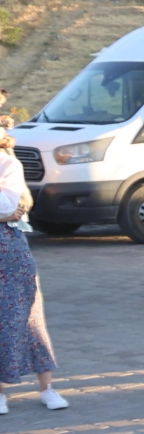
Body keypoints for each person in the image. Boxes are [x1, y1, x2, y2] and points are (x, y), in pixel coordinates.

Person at [0, 122, 67, 413]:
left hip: (10, 251)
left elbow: (9, 205)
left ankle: (46, 387)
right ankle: (1, 390)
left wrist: (4, 212)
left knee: (28, 315)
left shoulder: (8, 163)